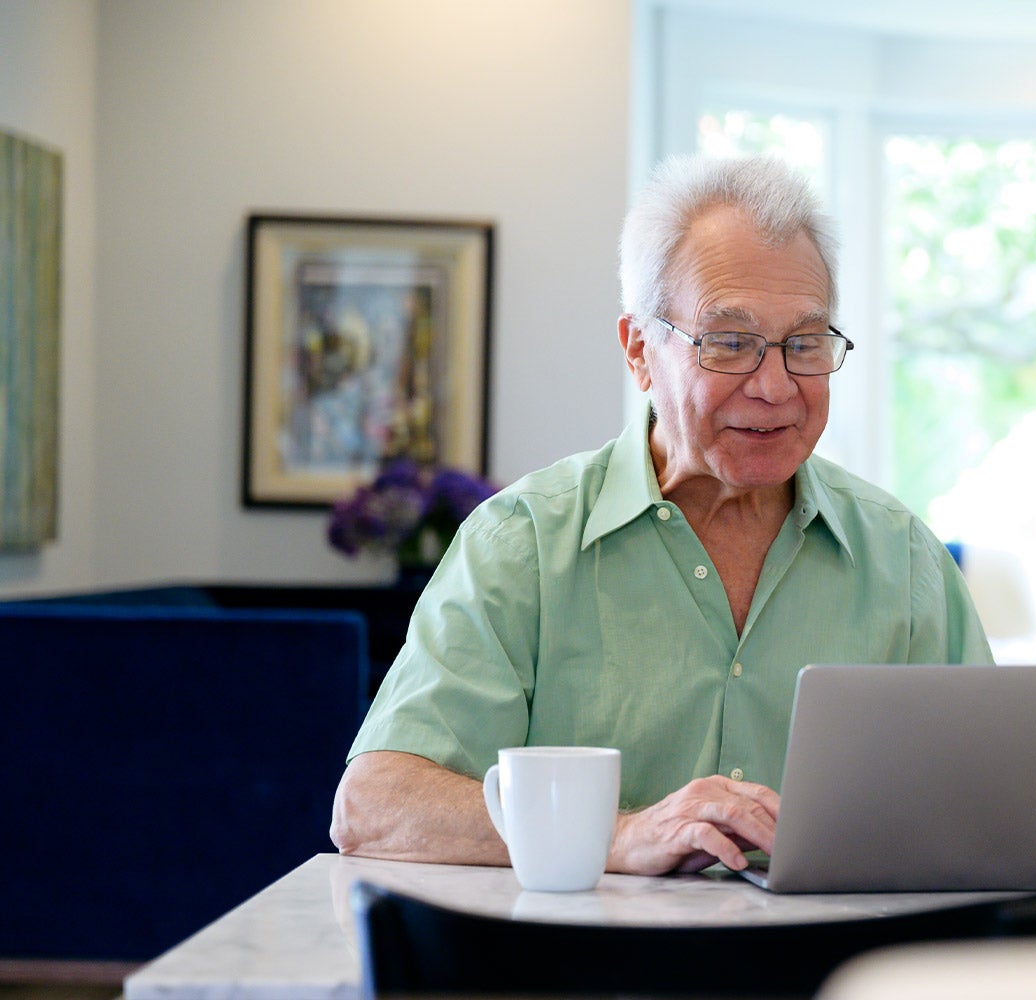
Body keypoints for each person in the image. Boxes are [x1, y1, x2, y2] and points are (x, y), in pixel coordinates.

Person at [331, 155, 992, 876]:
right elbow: (375, 806)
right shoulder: (520, 545)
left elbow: (997, 802)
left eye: (804, 344)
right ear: (639, 350)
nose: (775, 386)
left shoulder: (905, 561)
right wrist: (615, 837)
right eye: (730, 342)